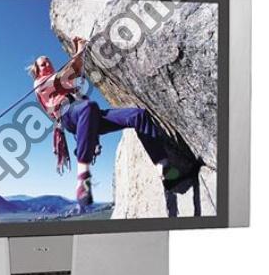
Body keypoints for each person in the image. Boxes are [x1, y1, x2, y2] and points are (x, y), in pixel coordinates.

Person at [28, 37, 177, 208]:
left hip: (90, 115)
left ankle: (163, 167)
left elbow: (76, 69)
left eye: (48, 62)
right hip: (69, 115)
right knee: (88, 106)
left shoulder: (63, 81)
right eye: (43, 64)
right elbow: (68, 72)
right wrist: (79, 50)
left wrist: (78, 50)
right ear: (37, 71)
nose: (47, 64)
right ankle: (83, 177)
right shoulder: (39, 84)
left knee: (138, 115)